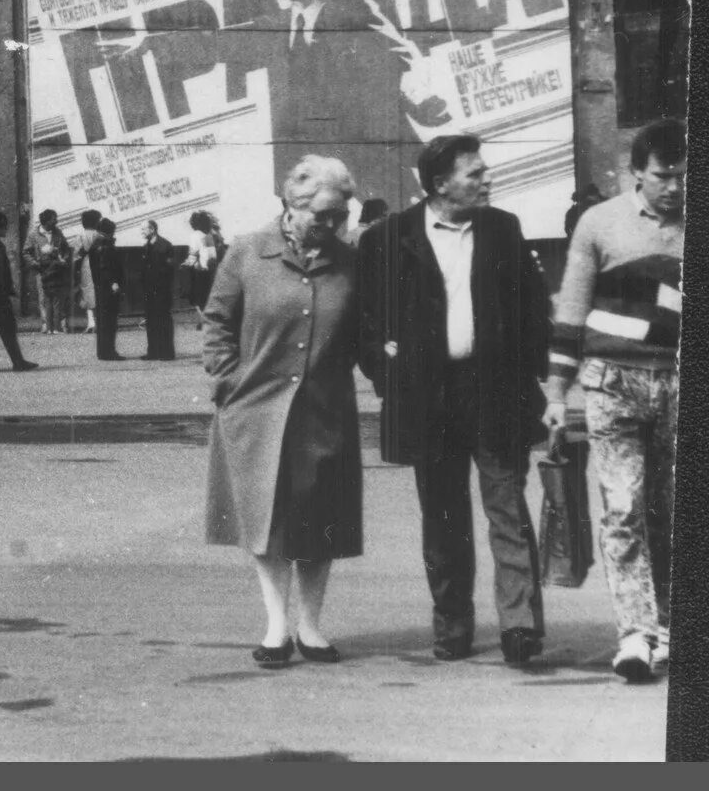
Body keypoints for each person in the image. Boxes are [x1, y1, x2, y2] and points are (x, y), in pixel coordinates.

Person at [358, 135, 553, 666]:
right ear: (441, 184)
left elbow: (534, 309)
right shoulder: (389, 238)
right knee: (442, 517)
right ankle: (453, 625)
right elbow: (365, 319)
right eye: (475, 173)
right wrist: (385, 369)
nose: (487, 179)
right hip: (427, 397)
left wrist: (536, 376)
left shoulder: (503, 229)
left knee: (508, 509)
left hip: (495, 391)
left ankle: (519, 626)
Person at [203, 155, 365, 667]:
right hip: (255, 408)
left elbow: (364, 332)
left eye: (340, 215)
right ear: (291, 207)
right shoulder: (248, 252)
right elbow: (217, 321)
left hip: (324, 410)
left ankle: (312, 627)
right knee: (266, 521)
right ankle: (276, 626)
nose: (333, 225)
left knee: (319, 520)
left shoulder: (350, 260)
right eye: (322, 215)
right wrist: (228, 380)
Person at [543, 118, 684, 682]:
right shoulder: (598, 224)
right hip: (610, 383)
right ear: (636, 174)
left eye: (684, 176)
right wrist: (557, 391)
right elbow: (571, 313)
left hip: (679, 382)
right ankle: (635, 634)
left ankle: (671, 626)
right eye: (662, 176)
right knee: (622, 508)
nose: (674, 188)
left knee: (672, 511)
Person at [0, 213, 38, 371]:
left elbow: (4, 270)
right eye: (4, 226)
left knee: (8, 327)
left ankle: (18, 361)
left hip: (1, 293)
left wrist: (9, 287)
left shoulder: (0, 245)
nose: (6, 229)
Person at [135, 219, 182, 361]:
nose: (141, 232)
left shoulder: (165, 246)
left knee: (163, 319)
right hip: (149, 290)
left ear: (152, 229)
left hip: (161, 290)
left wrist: (160, 284)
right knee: (151, 320)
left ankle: (167, 352)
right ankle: (153, 351)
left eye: (144, 229)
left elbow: (168, 269)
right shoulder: (146, 246)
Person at [29, 211, 72, 334]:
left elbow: (66, 248)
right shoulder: (33, 235)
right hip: (42, 271)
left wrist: (64, 258)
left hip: (57, 271)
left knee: (58, 299)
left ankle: (59, 325)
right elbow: (26, 252)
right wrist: (34, 263)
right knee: (44, 299)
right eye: (54, 219)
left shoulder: (58, 232)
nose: (56, 221)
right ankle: (46, 325)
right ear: (46, 221)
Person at [89, 217, 124, 361]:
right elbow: (106, 267)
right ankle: (110, 352)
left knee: (103, 320)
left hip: (99, 286)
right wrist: (114, 282)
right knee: (109, 320)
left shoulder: (95, 244)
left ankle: (103, 351)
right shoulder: (105, 244)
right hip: (108, 287)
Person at [186, 211, 224, 314]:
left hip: (200, 271)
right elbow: (212, 257)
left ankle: (204, 318)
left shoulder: (195, 235)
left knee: (200, 298)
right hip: (211, 270)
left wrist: (191, 263)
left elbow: (192, 255)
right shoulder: (208, 236)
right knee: (208, 297)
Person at [73, 210, 103, 332]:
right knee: (99, 290)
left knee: (87, 291)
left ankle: (91, 321)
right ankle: (99, 321)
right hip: (99, 265)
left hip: (86, 265)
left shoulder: (80, 236)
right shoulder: (100, 236)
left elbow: (77, 254)